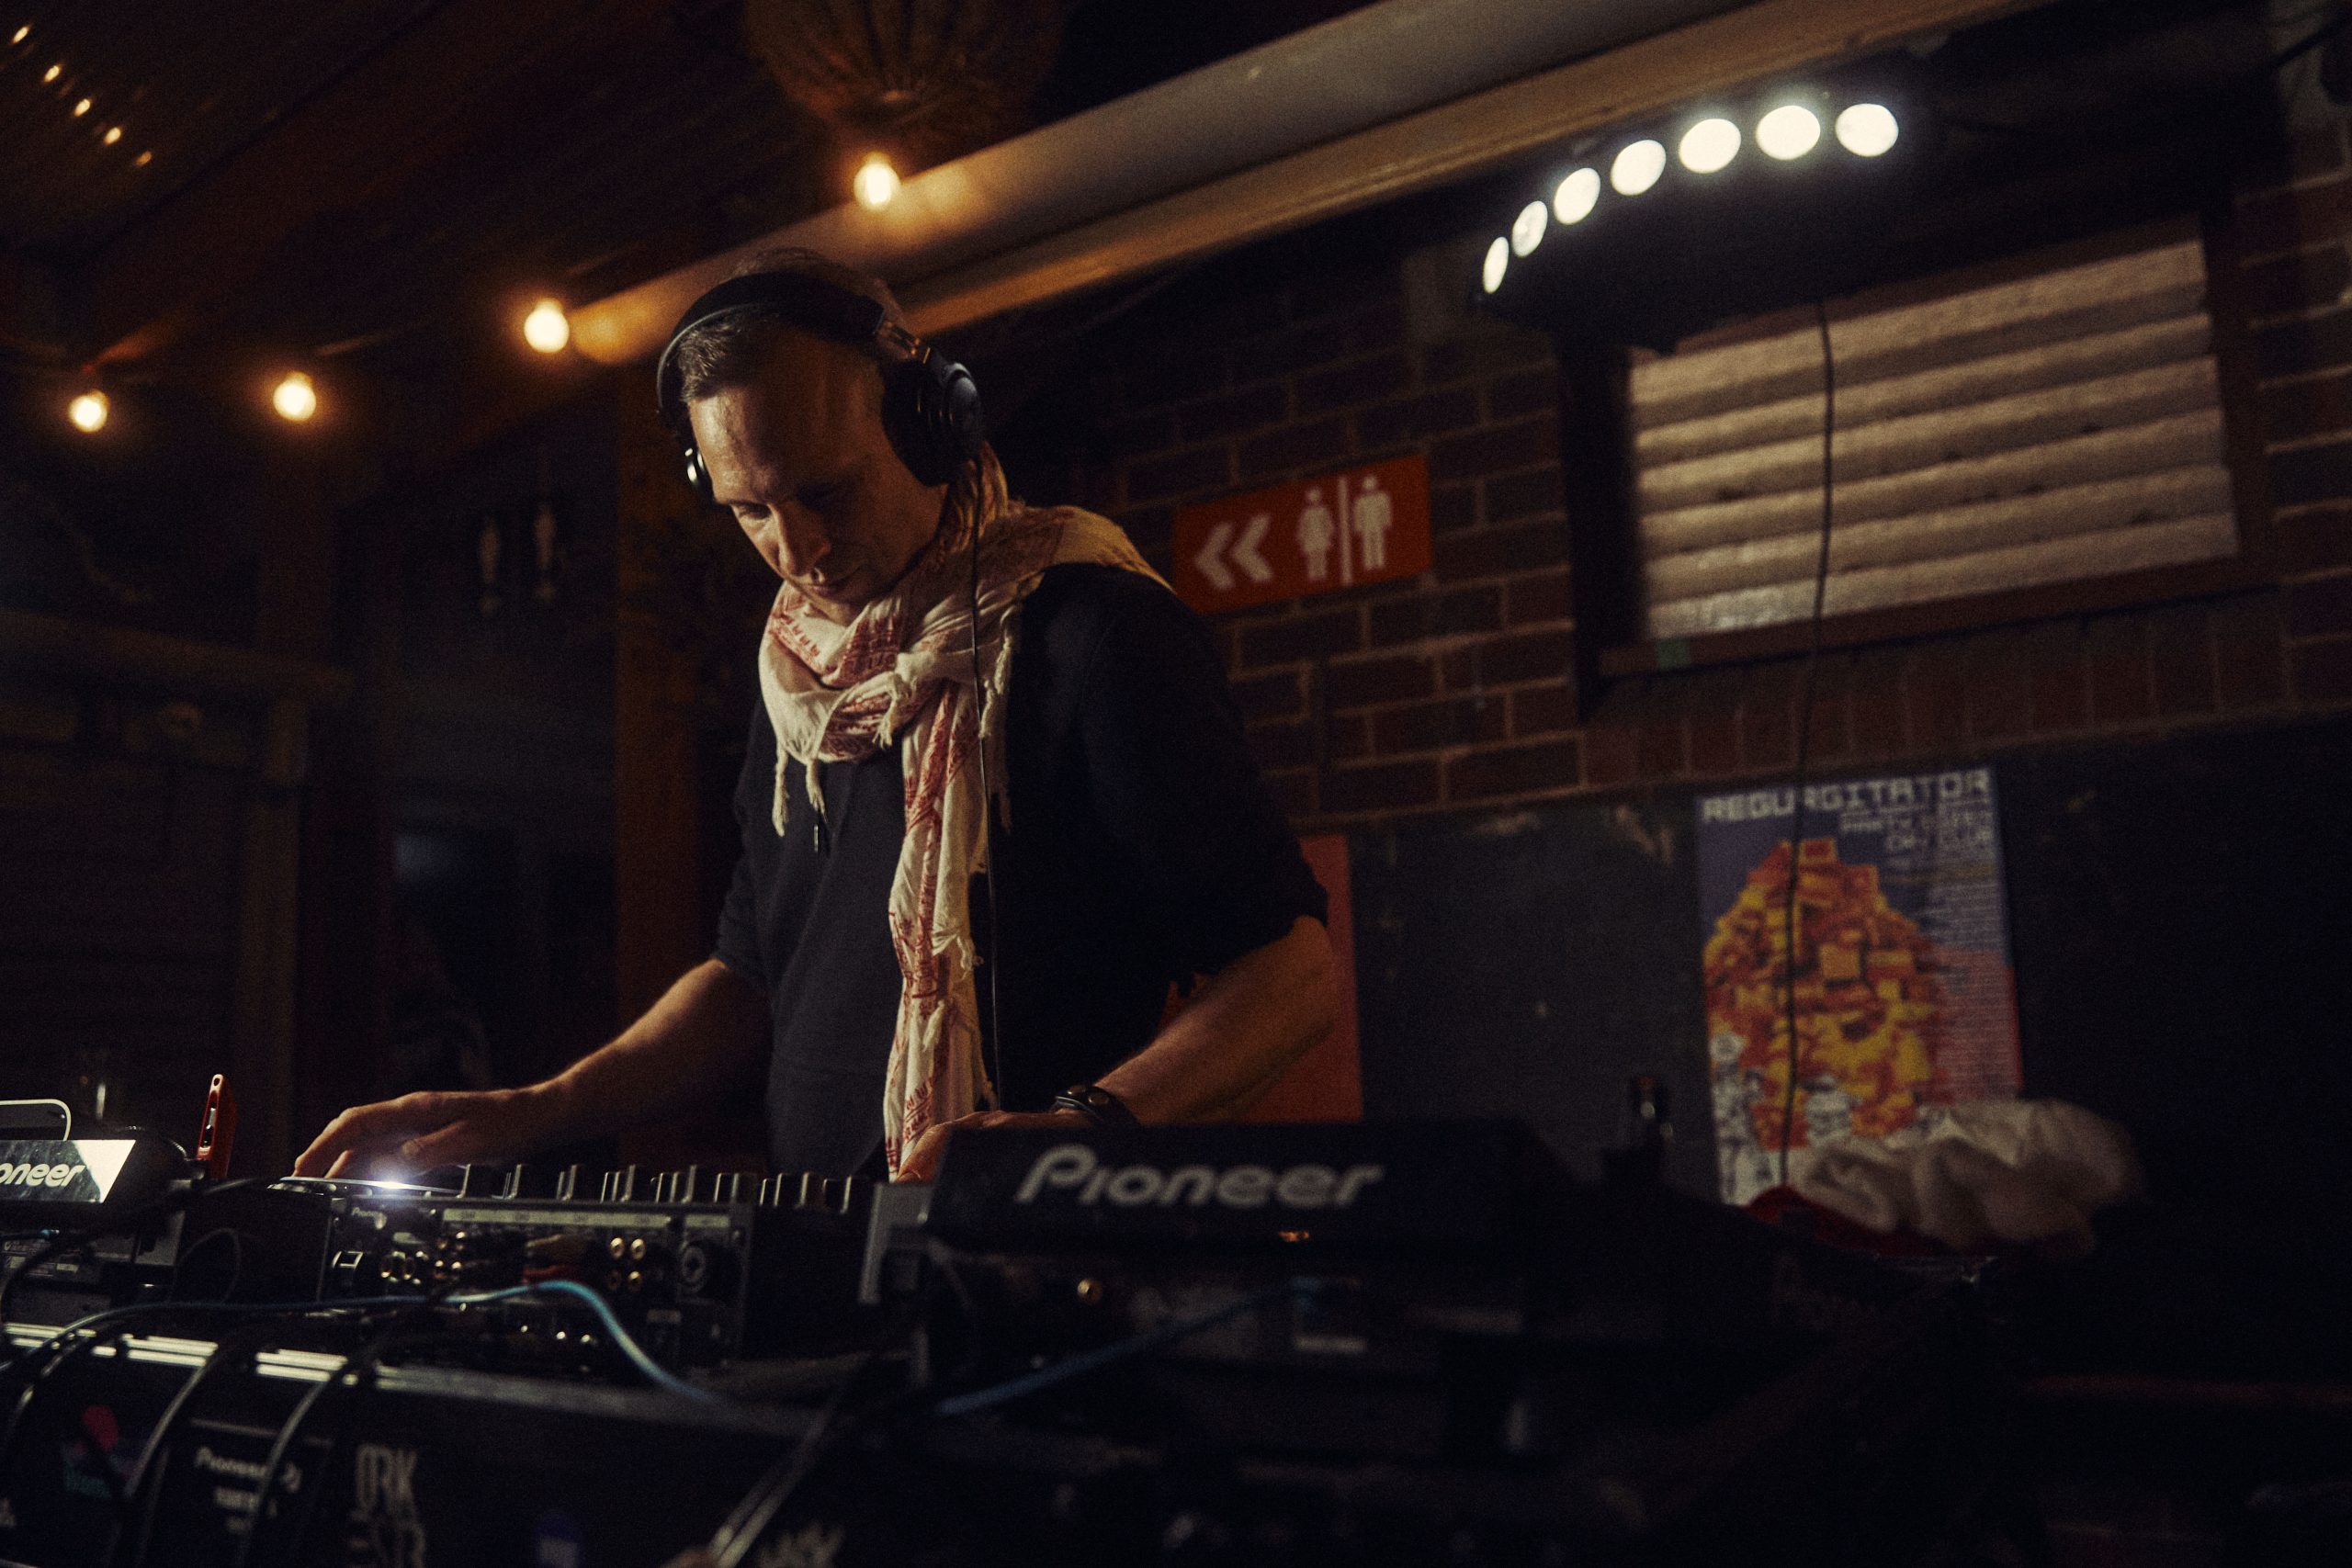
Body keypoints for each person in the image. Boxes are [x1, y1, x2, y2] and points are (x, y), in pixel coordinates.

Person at [296, 250, 1338, 1187]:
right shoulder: (798, 675)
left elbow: (1289, 968)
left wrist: (1082, 1132)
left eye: (827, 492)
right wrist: (536, 1109)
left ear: (927, 425)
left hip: (1031, 1262)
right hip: (822, 1255)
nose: (796, 553)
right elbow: (754, 973)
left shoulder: (1093, 633)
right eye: (750, 511)